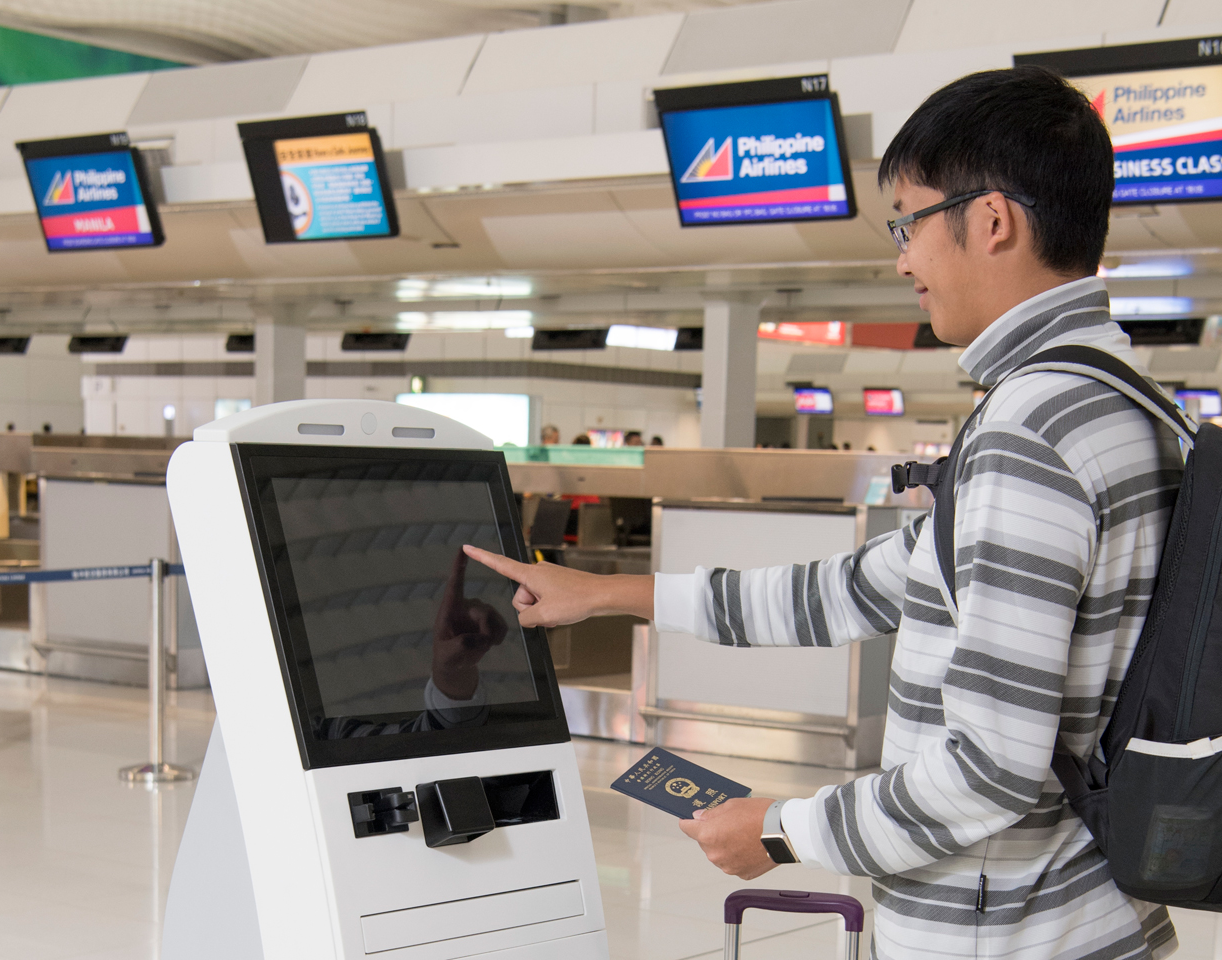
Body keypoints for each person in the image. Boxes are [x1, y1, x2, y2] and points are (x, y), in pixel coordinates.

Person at [467, 66, 1182, 960]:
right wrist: (611, 595)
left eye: (910, 221)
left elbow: (990, 771)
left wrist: (782, 829)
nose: (903, 259)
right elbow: (851, 590)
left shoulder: (1032, 432)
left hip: (1010, 937)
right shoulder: (1128, 406)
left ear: (991, 220)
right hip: (1095, 914)